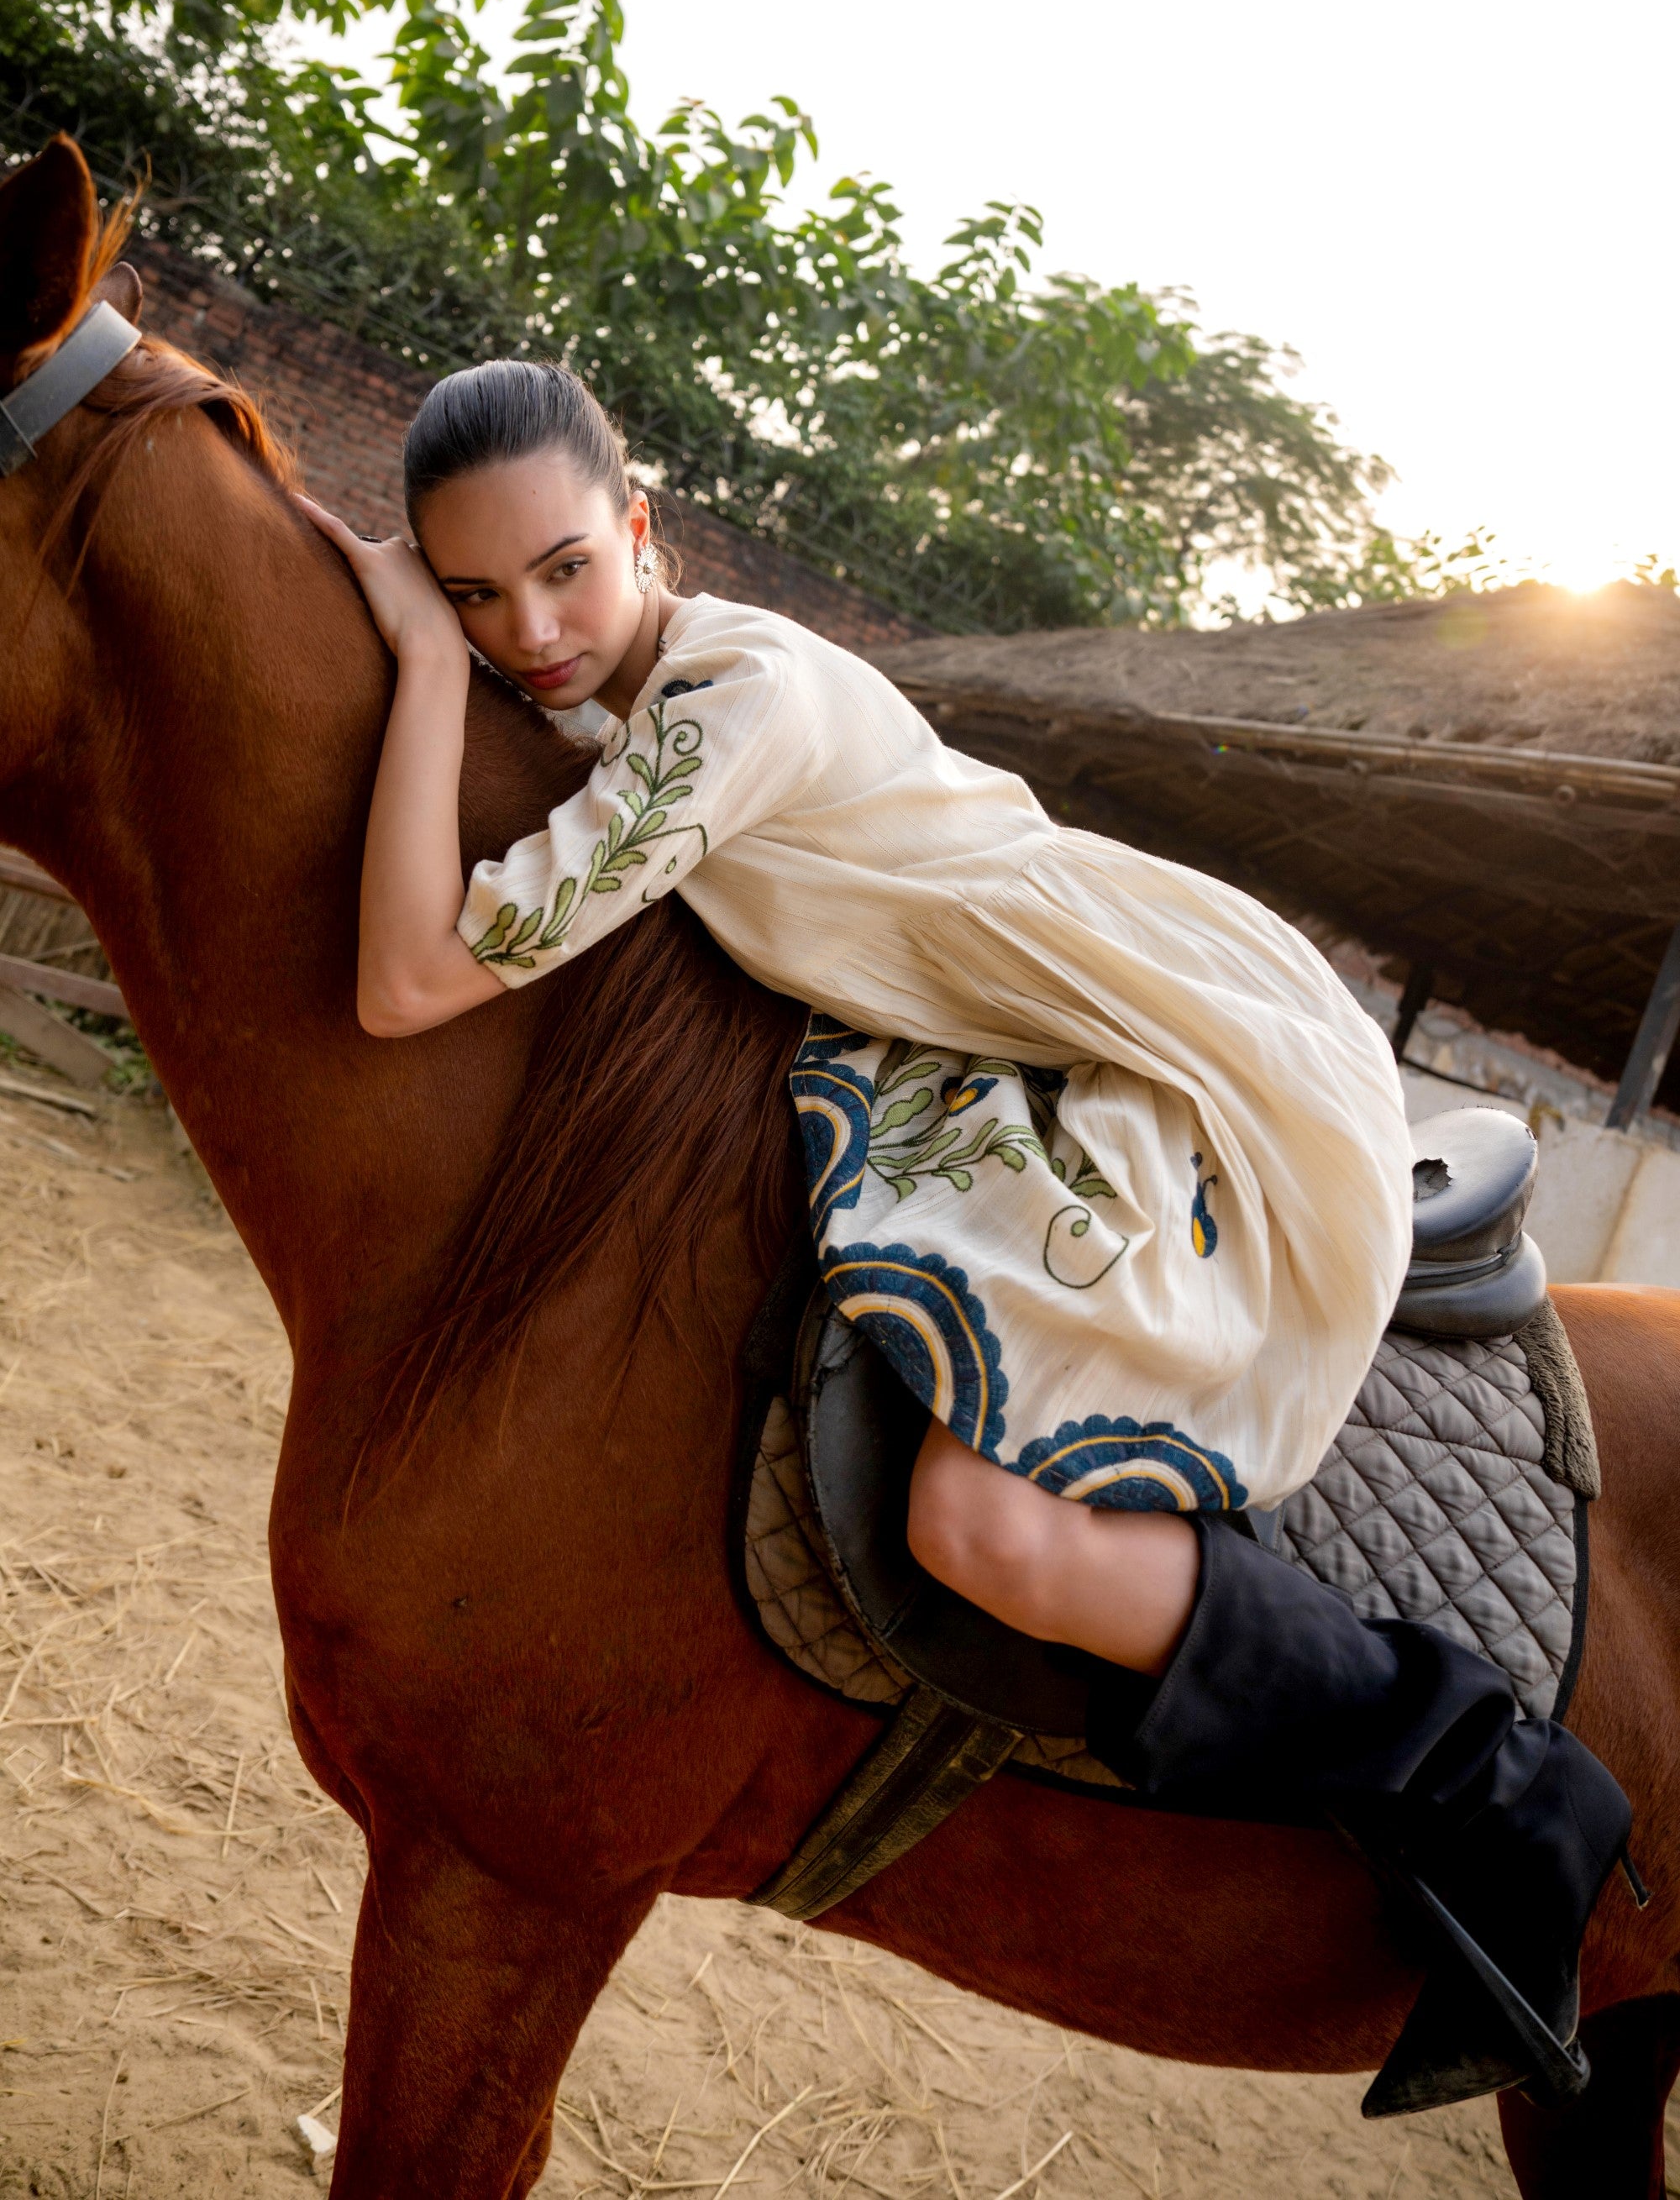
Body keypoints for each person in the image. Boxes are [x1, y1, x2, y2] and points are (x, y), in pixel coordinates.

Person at [305, 359, 1630, 2119]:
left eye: (561, 568)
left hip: (1160, 1038)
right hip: (1009, 1040)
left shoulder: (735, 703)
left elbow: (411, 977)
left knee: (986, 1517)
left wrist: (406, 653)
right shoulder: (653, 693)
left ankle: (1486, 1774)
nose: (527, 629)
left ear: (640, 528)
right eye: (471, 593)